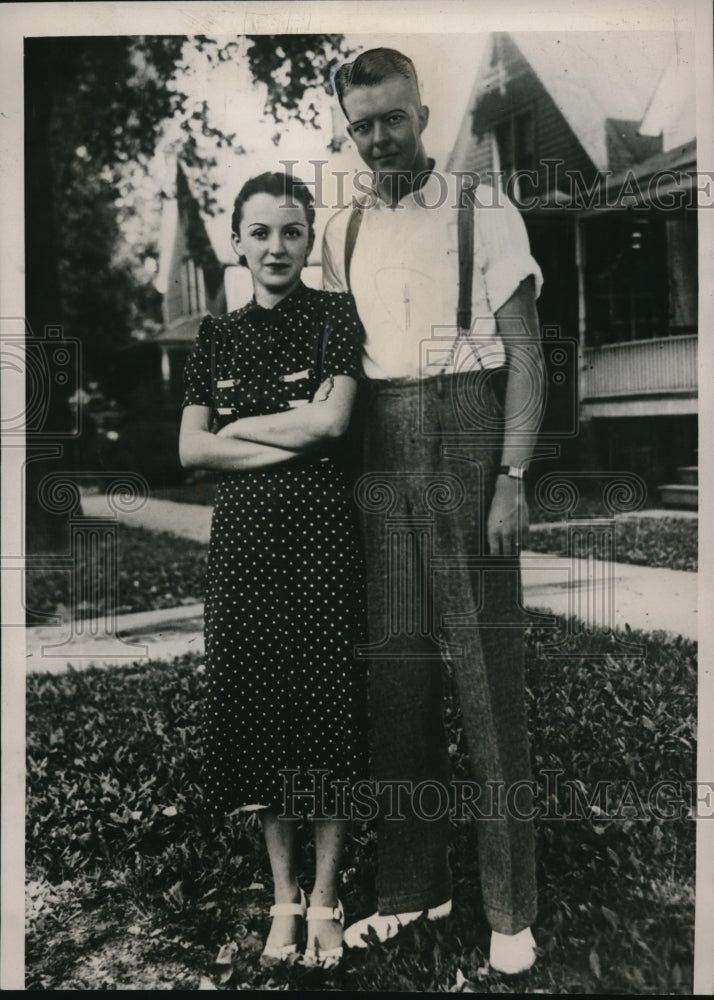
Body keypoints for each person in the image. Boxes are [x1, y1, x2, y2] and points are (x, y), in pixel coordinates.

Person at [322, 48, 546, 975]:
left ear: (423, 110)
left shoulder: (483, 207)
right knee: (398, 673)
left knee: (486, 679)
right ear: (349, 127)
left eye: (394, 118)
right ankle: (414, 888)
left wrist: (511, 476)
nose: (381, 138)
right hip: (380, 438)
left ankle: (509, 908)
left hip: (466, 425)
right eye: (363, 123)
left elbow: (529, 357)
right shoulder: (340, 232)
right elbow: (338, 378)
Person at [179, 171, 368, 969]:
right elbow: (190, 450)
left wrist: (240, 430)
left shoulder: (334, 316)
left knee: (323, 706)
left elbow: (332, 423)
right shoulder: (214, 340)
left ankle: (327, 897)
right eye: (260, 233)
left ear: (308, 238)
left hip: (322, 541)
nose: (276, 247)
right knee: (257, 710)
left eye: (291, 231)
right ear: (237, 241)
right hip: (245, 548)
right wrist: (288, 427)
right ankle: (283, 901)